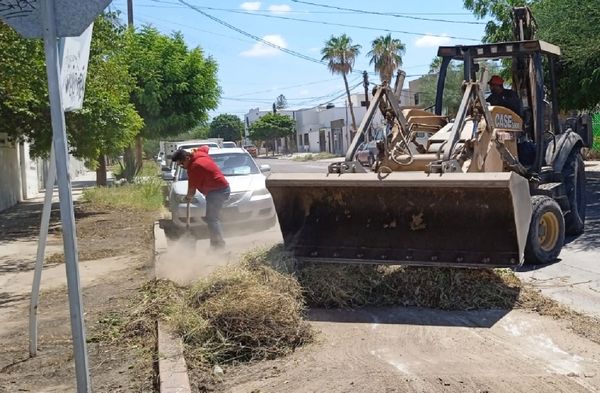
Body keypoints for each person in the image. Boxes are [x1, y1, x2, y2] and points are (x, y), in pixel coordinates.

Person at [171, 147, 230, 249]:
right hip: (222, 188)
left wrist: (187, 198)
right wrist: (194, 150)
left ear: (187, 158)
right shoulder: (199, 153)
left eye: (181, 164)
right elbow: (206, 147)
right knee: (212, 218)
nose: (182, 166)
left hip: (217, 191)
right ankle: (215, 245)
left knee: (212, 219)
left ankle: (219, 247)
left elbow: (191, 191)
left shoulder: (194, 168)